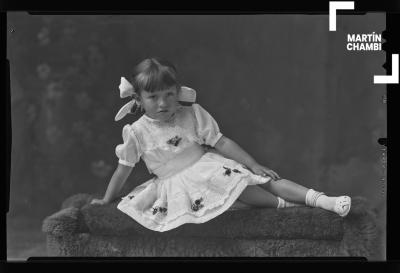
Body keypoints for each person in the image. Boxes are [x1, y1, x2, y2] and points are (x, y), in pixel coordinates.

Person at [91, 58, 351, 232]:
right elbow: (122, 170)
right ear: (139, 98)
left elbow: (221, 141)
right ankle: (288, 207)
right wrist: (106, 199)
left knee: (260, 178)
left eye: (169, 94)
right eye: (153, 97)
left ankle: (321, 200)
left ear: (178, 91)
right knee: (239, 190)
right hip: (177, 185)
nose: (163, 103)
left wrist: (253, 163)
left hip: (208, 165)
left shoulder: (191, 114)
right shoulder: (137, 132)